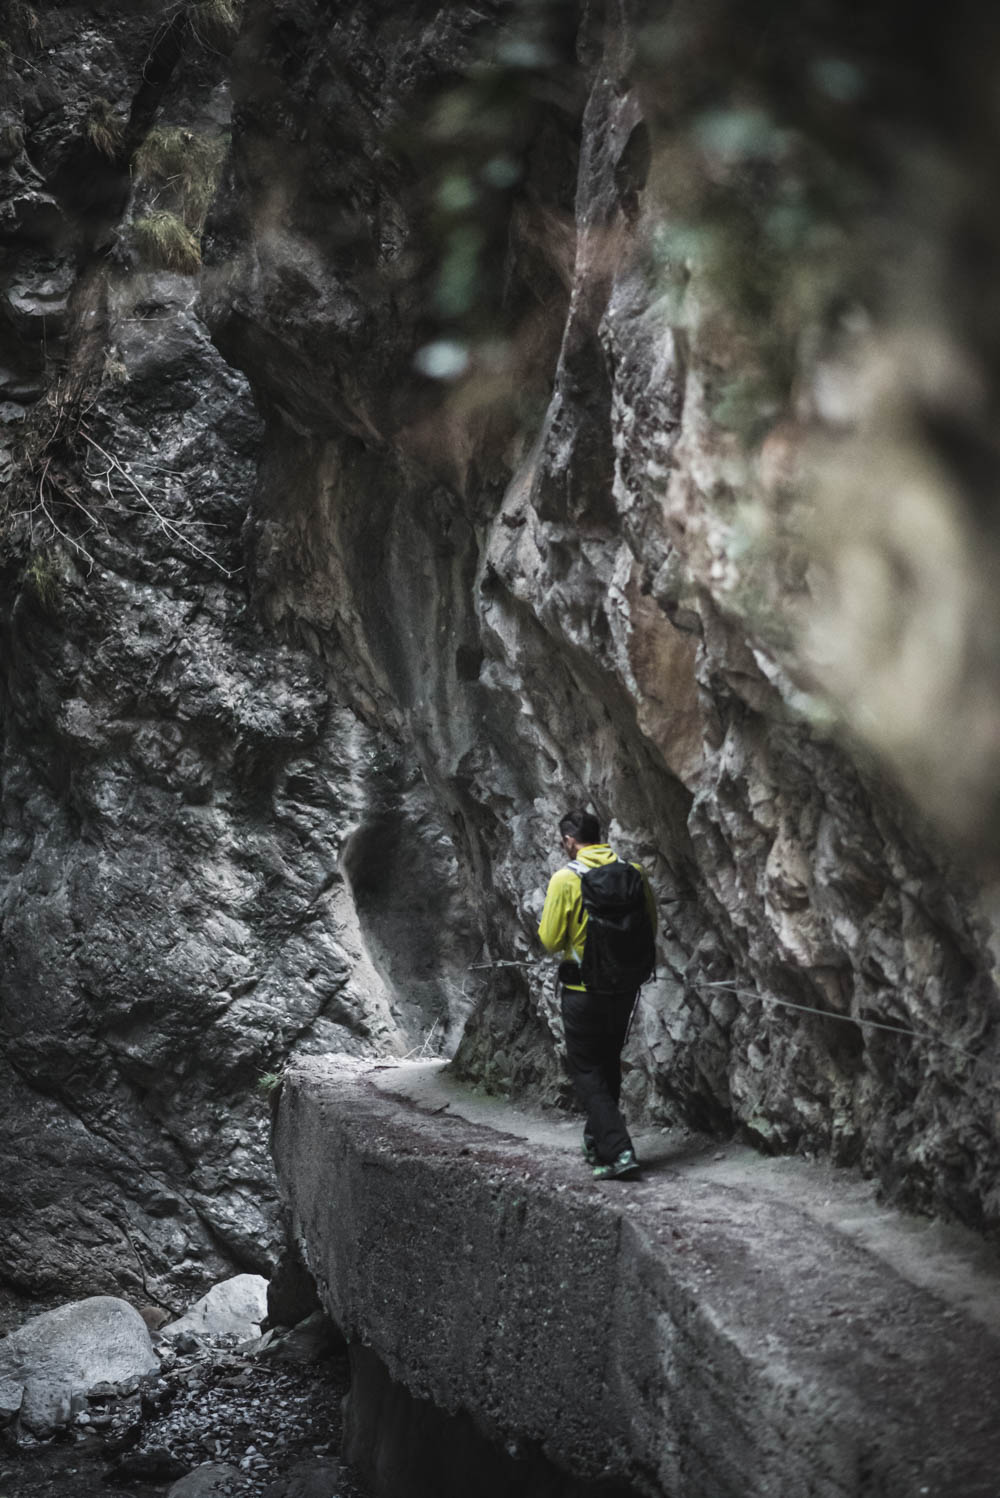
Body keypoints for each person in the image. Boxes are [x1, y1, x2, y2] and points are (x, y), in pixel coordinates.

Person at [538, 809, 657, 1180]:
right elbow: (650, 924)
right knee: (607, 1064)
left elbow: (550, 940)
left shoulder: (565, 879)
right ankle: (597, 1142)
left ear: (570, 841)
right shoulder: (633, 873)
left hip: (582, 990)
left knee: (587, 1069)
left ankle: (619, 1150)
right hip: (624, 989)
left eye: (564, 842)